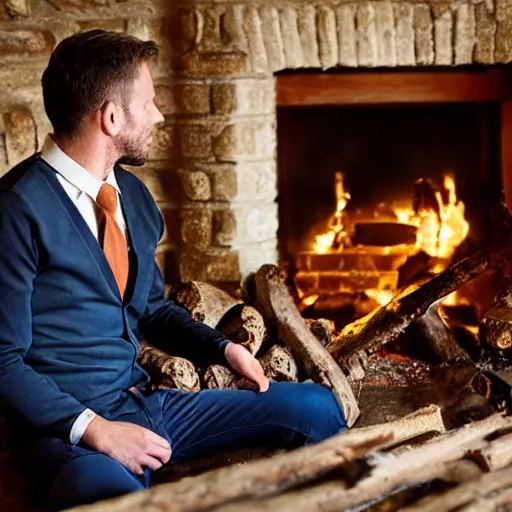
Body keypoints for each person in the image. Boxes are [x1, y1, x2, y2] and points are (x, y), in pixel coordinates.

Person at [0, 29, 347, 510]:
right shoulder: (16, 209)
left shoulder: (134, 199)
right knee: (101, 496)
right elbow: (3, 361)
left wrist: (223, 348)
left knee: (315, 408)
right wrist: (97, 431)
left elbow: (150, 308)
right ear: (111, 116)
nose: (159, 114)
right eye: (149, 102)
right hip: (69, 434)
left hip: (146, 405)